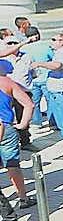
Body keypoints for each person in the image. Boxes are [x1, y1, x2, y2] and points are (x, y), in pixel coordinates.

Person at [30, 33, 63, 158]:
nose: (52, 42)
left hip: (62, 94)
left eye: (54, 40)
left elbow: (58, 65)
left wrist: (40, 64)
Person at [0, 59, 35, 210]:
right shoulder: (7, 83)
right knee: (12, 164)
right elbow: (29, 104)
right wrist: (22, 125)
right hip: (7, 127)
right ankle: (23, 197)